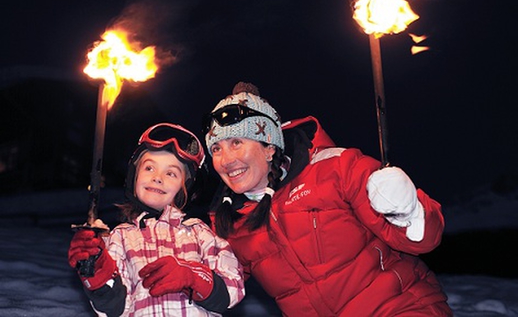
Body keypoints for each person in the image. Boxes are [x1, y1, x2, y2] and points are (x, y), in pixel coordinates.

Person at [203, 82, 453, 316]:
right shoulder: (230, 221)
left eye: (236, 143)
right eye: (216, 149)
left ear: (269, 147)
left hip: (398, 307)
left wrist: (407, 212)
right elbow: (224, 287)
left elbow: (425, 240)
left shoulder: (335, 168)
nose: (225, 160)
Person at [68, 123, 245, 316]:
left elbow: (233, 288)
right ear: (134, 177)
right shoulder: (120, 238)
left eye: (171, 173)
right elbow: (115, 308)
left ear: (184, 189)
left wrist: (193, 276)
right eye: (149, 168)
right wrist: (99, 273)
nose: (158, 178)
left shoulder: (198, 233)